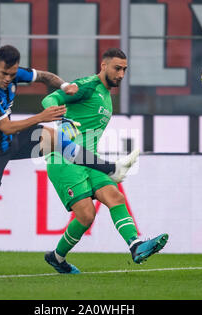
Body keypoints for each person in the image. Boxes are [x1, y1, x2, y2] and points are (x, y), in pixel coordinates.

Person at [0, 45, 138, 278]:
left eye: (12, 74)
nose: (7, 79)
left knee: (58, 140)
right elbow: (6, 127)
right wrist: (42, 117)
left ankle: (111, 169)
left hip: (12, 141)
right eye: (3, 74)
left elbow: (45, 77)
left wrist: (65, 86)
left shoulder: (15, 73)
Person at [42, 48, 168, 274]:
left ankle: (136, 246)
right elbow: (50, 98)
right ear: (103, 66)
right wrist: (61, 118)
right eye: (116, 68)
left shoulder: (106, 95)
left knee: (115, 196)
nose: (121, 74)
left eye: (124, 70)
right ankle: (57, 257)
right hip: (65, 159)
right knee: (86, 215)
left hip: (89, 161)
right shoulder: (89, 85)